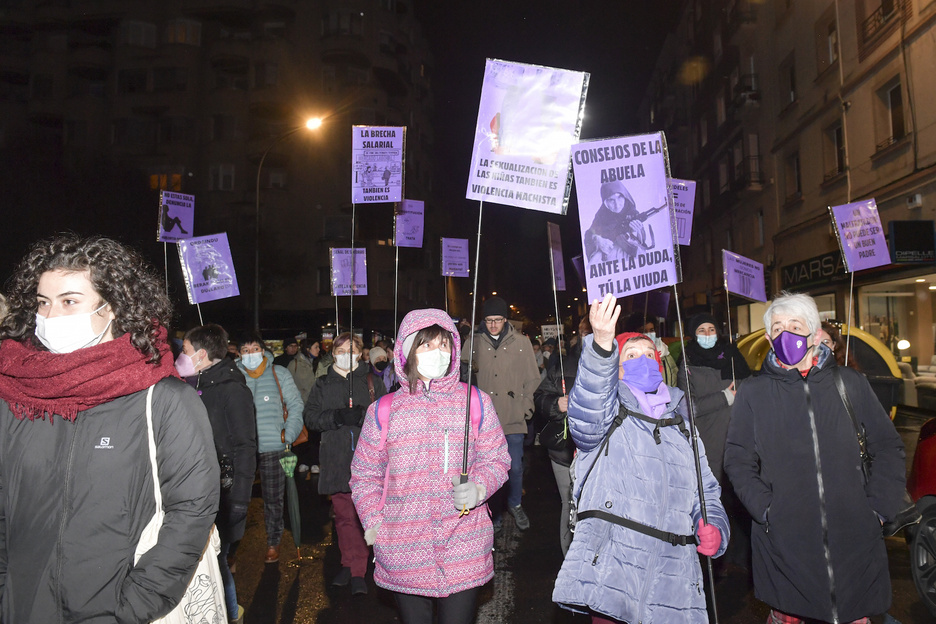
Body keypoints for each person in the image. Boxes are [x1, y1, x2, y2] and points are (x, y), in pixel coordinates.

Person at [0, 234, 219, 622]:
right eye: (42, 302)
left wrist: (131, 607)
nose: (49, 317)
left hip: (117, 611)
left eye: (70, 301)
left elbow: (190, 511)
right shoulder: (15, 393)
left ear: (114, 307)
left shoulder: (165, 400)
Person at [725, 292, 906, 624]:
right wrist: (766, 510)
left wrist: (879, 507)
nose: (786, 334)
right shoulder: (754, 393)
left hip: (853, 541)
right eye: (777, 328)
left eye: (795, 325)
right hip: (786, 546)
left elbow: (888, 448)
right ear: (767, 338)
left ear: (814, 333)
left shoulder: (849, 383)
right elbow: (737, 460)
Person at [553, 294, 728, 624]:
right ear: (615, 369)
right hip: (613, 573)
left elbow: (706, 492)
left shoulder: (682, 427)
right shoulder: (608, 415)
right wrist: (602, 346)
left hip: (671, 580)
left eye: (650, 355)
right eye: (631, 355)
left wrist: (714, 525)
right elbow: (587, 413)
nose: (643, 360)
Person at [350, 309, 510, 624]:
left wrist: (479, 487)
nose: (436, 353)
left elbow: (497, 458)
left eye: (443, 345)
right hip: (402, 547)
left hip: (463, 542)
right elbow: (364, 476)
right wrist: (375, 524)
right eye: (425, 345)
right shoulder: (383, 410)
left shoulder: (475, 402)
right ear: (406, 352)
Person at [180, 323, 257, 623]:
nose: (180, 357)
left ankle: (228, 612)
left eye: (184, 351)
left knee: (218, 558)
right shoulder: (192, 384)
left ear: (200, 354)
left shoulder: (232, 389)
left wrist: (239, 499)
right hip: (196, 488)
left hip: (224, 492)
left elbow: (245, 446)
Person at [305, 332, 386, 595]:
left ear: (361, 351)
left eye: (350, 348)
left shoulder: (372, 380)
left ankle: (359, 570)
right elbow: (311, 418)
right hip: (336, 459)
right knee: (343, 517)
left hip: (368, 462)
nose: (344, 353)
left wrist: (363, 416)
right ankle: (349, 563)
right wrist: (336, 417)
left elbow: (388, 417)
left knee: (363, 516)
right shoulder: (322, 384)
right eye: (339, 349)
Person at [462, 296, 541, 531]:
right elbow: (461, 374)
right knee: (487, 469)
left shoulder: (521, 342)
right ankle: (493, 514)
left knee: (514, 467)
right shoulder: (473, 341)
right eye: (489, 320)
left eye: (498, 320)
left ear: (506, 319)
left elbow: (533, 378)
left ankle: (515, 504)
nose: (493, 325)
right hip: (483, 419)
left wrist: (525, 405)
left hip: (512, 415)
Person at [236, 331, 304, 564]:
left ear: (263, 350)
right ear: (239, 354)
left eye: (254, 348)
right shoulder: (234, 376)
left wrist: (289, 432)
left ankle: (273, 542)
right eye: (245, 350)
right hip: (242, 449)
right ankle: (232, 548)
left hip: (273, 446)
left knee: (273, 499)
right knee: (236, 500)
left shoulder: (279, 373)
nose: (250, 354)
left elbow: (295, 404)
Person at [533, 316, 591, 555]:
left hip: (605, 455)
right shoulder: (564, 366)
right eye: (587, 334)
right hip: (565, 451)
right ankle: (570, 560)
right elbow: (540, 398)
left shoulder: (620, 366)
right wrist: (556, 403)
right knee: (571, 505)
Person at [584, 180, 649, 264]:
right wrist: (598, 240)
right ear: (605, 202)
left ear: (625, 196)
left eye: (619, 197)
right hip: (608, 255)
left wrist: (635, 232)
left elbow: (642, 241)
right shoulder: (601, 216)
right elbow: (590, 234)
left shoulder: (633, 214)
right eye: (611, 200)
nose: (617, 204)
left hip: (631, 254)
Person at [623, 312, 678, 386]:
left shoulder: (664, 352)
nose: (648, 334)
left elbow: (673, 377)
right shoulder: (629, 357)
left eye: (651, 330)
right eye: (643, 331)